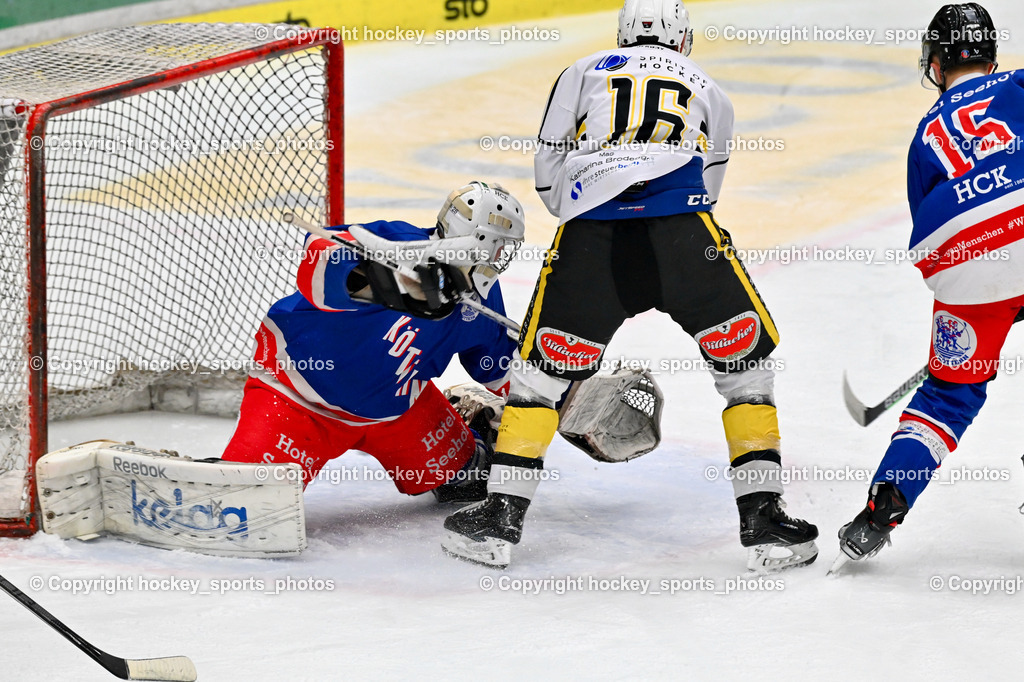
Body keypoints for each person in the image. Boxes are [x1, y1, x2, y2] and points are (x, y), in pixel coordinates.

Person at [441, 0, 818, 570]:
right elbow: (709, 187)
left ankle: (498, 520)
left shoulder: (584, 68)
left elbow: (547, 172)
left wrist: (593, 199)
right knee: (747, 371)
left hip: (595, 240)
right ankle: (765, 522)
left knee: (538, 379)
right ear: (681, 39)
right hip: (685, 237)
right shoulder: (709, 86)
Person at [836, 3, 1023, 565]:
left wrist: (994, 295)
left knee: (949, 394)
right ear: (990, 54)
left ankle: (884, 505)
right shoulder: (1017, 84)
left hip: (961, 254)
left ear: (937, 62)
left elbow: (926, 220)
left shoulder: (926, 133)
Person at [220, 182, 525, 503]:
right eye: (499, 245)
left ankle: (467, 414)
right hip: (296, 396)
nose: (503, 256)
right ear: (474, 239)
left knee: (470, 481)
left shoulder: (483, 297)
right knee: (245, 500)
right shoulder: (402, 244)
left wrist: (560, 398)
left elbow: (502, 368)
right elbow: (319, 261)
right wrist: (392, 285)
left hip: (398, 413)